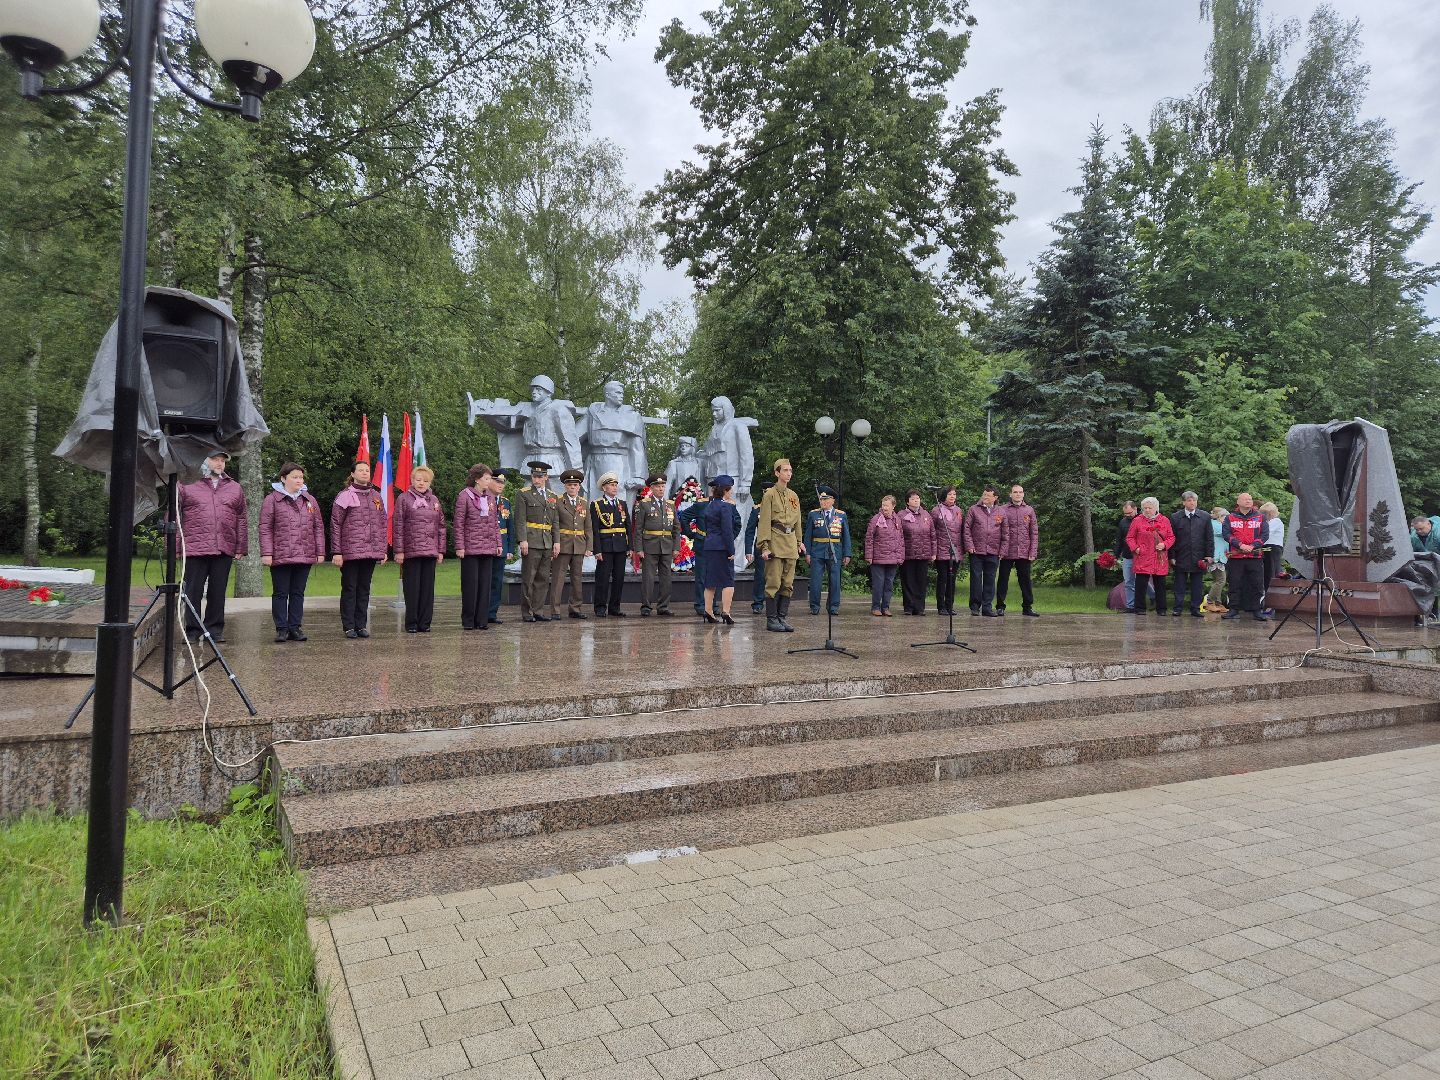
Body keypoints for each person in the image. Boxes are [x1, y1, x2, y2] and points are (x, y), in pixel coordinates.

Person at [178, 448, 248, 643]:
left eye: (222, 460)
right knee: (193, 591)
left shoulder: (235, 487)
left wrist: (241, 546)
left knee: (218, 591)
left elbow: (241, 518)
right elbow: (174, 515)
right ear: (203, 460)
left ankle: (214, 630)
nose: (220, 463)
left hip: (224, 547)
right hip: (194, 547)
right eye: (215, 459)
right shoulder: (186, 483)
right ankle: (192, 631)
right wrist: (176, 546)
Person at [259, 461, 325, 643]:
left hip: (304, 553)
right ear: (283, 478)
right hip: (281, 554)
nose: (298, 480)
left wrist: (320, 551)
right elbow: (265, 528)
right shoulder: (272, 499)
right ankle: (281, 629)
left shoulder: (309, 500)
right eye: (294, 477)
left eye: (300, 477)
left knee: (298, 592)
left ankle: (295, 627)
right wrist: (267, 553)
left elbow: (318, 527)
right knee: (281, 593)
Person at [331, 460, 388, 638]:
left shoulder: (376, 496)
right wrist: (337, 552)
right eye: (361, 470)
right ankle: (348, 626)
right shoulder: (344, 496)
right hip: (350, 552)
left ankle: (361, 625)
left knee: (364, 588)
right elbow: (335, 524)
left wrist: (382, 550)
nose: (364, 473)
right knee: (350, 588)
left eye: (367, 470)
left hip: (370, 552)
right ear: (353, 474)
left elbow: (382, 524)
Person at [393, 465, 446, 634]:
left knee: (427, 589)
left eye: (425, 480)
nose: (421, 483)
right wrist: (399, 551)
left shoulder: (435, 500)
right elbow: (398, 525)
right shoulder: (403, 498)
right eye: (418, 480)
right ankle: (412, 623)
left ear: (430, 482)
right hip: (411, 551)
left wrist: (440, 550)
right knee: (412, 588)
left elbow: (441, 527)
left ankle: (425, 622)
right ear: (412, 480)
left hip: (430, 551)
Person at [757, 458, 805, 632]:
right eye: (785, 470)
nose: (789, 473)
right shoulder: (769, 494)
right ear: (777, 473)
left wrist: (799, 542)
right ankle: (771, 619)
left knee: (788, 583)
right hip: (775, 542)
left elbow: (798, 521)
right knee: (773, 582)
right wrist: (764, 546)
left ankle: (782, 617)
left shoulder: (793, 495)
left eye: (790, 470)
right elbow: (764, 523)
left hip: (791, 542)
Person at [456, 464, 502, 631]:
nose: (489, 482)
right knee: (471, 585)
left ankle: (481, 620)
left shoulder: (490, 497)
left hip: (488, 546)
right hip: (470, 548)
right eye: (487, 479)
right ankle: (468, 620)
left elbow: (494, 524)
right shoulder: (464, 496)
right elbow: (459, 523)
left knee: (485, 585)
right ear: (477, 479)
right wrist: (460, 546)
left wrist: (498, 543)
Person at [515, 460, 560, 622]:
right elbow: (520, 520)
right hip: (532, 540)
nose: (537, 480)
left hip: (547, 542)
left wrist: (557, 542)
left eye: (540, 477)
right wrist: (522, 540)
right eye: (534, 476)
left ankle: (538, 610)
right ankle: (527, 612)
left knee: (543, 578)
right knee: (529, 578)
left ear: (546, 477)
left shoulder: (553, 497)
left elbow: (555, 521)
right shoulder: (524, 493)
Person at [632, 474, 679, 616]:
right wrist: (638, 549)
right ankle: (646, 606)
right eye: (658, 486)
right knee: (648, 578)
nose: (661, 488)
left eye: (663, 486)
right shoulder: (644, 504)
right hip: (650, 545)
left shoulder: (670, 504)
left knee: (666, 578)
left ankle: (663, 606)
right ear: (651, 488)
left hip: (666, 545)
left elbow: (676, 528)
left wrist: (676, 547)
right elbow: (638, 529)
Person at [549, 468, 592, 619]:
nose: (572, 488)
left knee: (577, 578)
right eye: (569, 485)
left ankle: (575, 608)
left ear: (579, 487)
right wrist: (556, 542)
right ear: (565, 487)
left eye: (575, 485)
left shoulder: (584, 503)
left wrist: (589, 546)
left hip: (579, 545)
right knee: (558, 578)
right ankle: (555, 610)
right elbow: (554, 525)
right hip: (563, 544)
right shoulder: (558, 502)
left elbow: (588, 527)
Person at [700, 475, 742, 624]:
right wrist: (731, 551)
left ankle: (708, 611)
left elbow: (707, 527)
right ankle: (726, 612)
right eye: (729, 489)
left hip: (710, 546)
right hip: (722, 548)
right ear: (725, 490)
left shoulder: (709, 505)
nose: (731, 492)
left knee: (710, 581)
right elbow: (727, 531)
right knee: (728, 581)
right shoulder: (725, 506)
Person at [1220, 492, 1269, 621]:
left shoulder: (1260, 517)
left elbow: (1264, 535)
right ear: (1238, 502)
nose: (1249, 501)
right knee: (1234, 583)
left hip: (1255, 557)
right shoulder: (1230, 518)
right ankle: (1233, 609)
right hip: (1236, 557)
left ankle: (1257, 610)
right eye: (1246, 499)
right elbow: (1226, 534)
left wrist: (1253, 546)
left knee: (1257, 584)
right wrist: (1240, 545)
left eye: (1250, 499)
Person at [804, 486, 852, 616]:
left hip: (835, 550)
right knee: (815, 580)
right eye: (821, 499)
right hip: (817, 550)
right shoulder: (813, 514)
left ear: (832, 501)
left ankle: (833, 606)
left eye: (826, 499)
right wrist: (807, 552)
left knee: (835, 580)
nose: (823, 502)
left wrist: (847, 553)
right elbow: (808, 535)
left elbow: (846, 535)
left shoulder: (841, 515)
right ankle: (814, 606)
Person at [589, 470, 631, 617]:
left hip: (620, 545)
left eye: (615, 485)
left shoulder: (622, 504)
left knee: (619, 578)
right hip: (605, 546)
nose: (615, 488)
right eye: (611, 485)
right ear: (604, 488)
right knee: (603, 578)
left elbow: (628, 527)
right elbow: (594, 529)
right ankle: (600, 607)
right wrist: (597, 550)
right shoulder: (597, 505)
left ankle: (615, 607)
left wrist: (629, 546)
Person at [996, 484, 1040, 617]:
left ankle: (1027, 607)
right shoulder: (1002, 509)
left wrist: (1033, 552)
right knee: (1003, 579)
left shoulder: (1029, 510)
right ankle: (1000, 606)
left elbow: (1034, 533)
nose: (1018, 494)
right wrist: (999, 550)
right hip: (1007, 552)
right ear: (1010, 494)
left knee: (1025, 580)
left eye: (1020, 492)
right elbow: (997, 530)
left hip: (1024, 552)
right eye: (1015, 492)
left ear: (1023, 494)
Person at [1127, 497, 1175, 615]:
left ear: (1156, 508)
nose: (1147, 510)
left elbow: (1171, 537)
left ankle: (1162, 609)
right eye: (1145, 508)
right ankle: (1140, 609)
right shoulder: (1137, 520)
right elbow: (1130, 537)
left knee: (1160, 585)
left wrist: (1164, 545)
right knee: (1141, 584)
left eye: (1150, 508)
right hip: (1143, 557)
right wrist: (1136, 548)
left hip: (1159, 558)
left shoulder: (1164, 520)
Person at [1168, 490, 1211, 619]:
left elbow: (1209, 538)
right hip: (1181, 556)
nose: (1192, 503)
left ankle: (1196, 608)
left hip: (1199, 556)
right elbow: (1171, 538)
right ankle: (1177, 608)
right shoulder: (1175, 517)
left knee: (1197, 585)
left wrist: (1209, 555)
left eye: (1194, 500)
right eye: (1189, 500)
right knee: (1179, 584)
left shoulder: (1205, 516)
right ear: (1184, 502)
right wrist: (1172, 556)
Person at [964, 485, 1003, 617]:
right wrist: (969, 545)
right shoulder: (973, 509)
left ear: (995, 497)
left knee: (990, 579)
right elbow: (967, 529)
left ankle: (987, 607)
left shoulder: (1001, 511)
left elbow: (1006, 533)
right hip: (976, 551)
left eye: (988, 495)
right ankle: (975, 606)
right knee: (976, 579)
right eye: (984, 494)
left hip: (994, 551)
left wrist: (1002, 550)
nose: (985, 497)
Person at [898, 490, 937, 615]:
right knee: (908, 580)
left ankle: (920, 608)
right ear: (907, 501)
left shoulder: (926, 514)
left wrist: (933, 552)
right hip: (907, 554)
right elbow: (898, 535)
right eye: (913, 498)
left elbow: (932, 535)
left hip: (924, 553)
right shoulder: (901, 515)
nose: (916, 500)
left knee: (921, 581)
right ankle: (909, 607)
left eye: (918, 498)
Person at [486, 469, 516, 625]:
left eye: (502, 482)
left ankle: (492, 613)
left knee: (497, 581)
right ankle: (482, 611)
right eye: (497, 481)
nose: (500, 485)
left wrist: (510, 548)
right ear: (489, 481)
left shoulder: (506, 502)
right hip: (487, 545)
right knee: (485, 580)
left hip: (502, 546)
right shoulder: (483, 498)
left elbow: (510, 527)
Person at [865, 494, 904, 616]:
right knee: (878, 584)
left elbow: (901, 539)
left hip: (892, 558)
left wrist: (900, 556)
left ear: (893, 506)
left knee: (889, 584)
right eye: (883, 505)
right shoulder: (876, 519)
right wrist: (869, 556)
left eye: (887, 505)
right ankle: (875, 607)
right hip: (878, 558)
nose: (885, 508)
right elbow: (869, 538)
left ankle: (886, 607)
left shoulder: (897, 519)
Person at [931, 486, 965, 616]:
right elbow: (932, 531)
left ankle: (950, 605)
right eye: (950, 494)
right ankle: (941, 607)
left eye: (954, 494)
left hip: (955, 550)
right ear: (944, 495)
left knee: (952, 579)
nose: (952, 496)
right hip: (941, 549)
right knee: (943, 578)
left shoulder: (958, 510)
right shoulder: (936, 510)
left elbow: (961, 531)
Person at [1259, 500, 1284, 613]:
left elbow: (1267, 532)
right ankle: (1266, 602)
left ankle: (1271, 604)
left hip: (1272, 548)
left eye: (1265, 513)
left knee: (1271, 574)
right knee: (1266, 575)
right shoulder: (1268, 522)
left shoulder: (1276, 521)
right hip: (1266, 548)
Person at [1115, 500, 1138, 612]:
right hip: (1127, 556)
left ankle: (1152, 597)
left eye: (1130, 513)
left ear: (1135, 509)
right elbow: (1119, 540)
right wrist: (1116, 555)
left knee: (1142, 581)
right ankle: (1130, 606)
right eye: (1126, 514)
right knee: (1128, 581)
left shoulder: (1142, 520)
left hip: (1140, 556)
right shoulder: (1123, 522)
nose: (1128, 516)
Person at [1208, 507, 1229, 611]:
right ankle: (1209, 601)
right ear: (1220, 516)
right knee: (1221, 580)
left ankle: (1217, 602)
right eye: (1225, 517)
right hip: (1216, 557)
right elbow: (1226, 533)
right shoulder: (1215, 525)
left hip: (1220, 557)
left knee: (1218, 580)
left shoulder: (1220, 525)